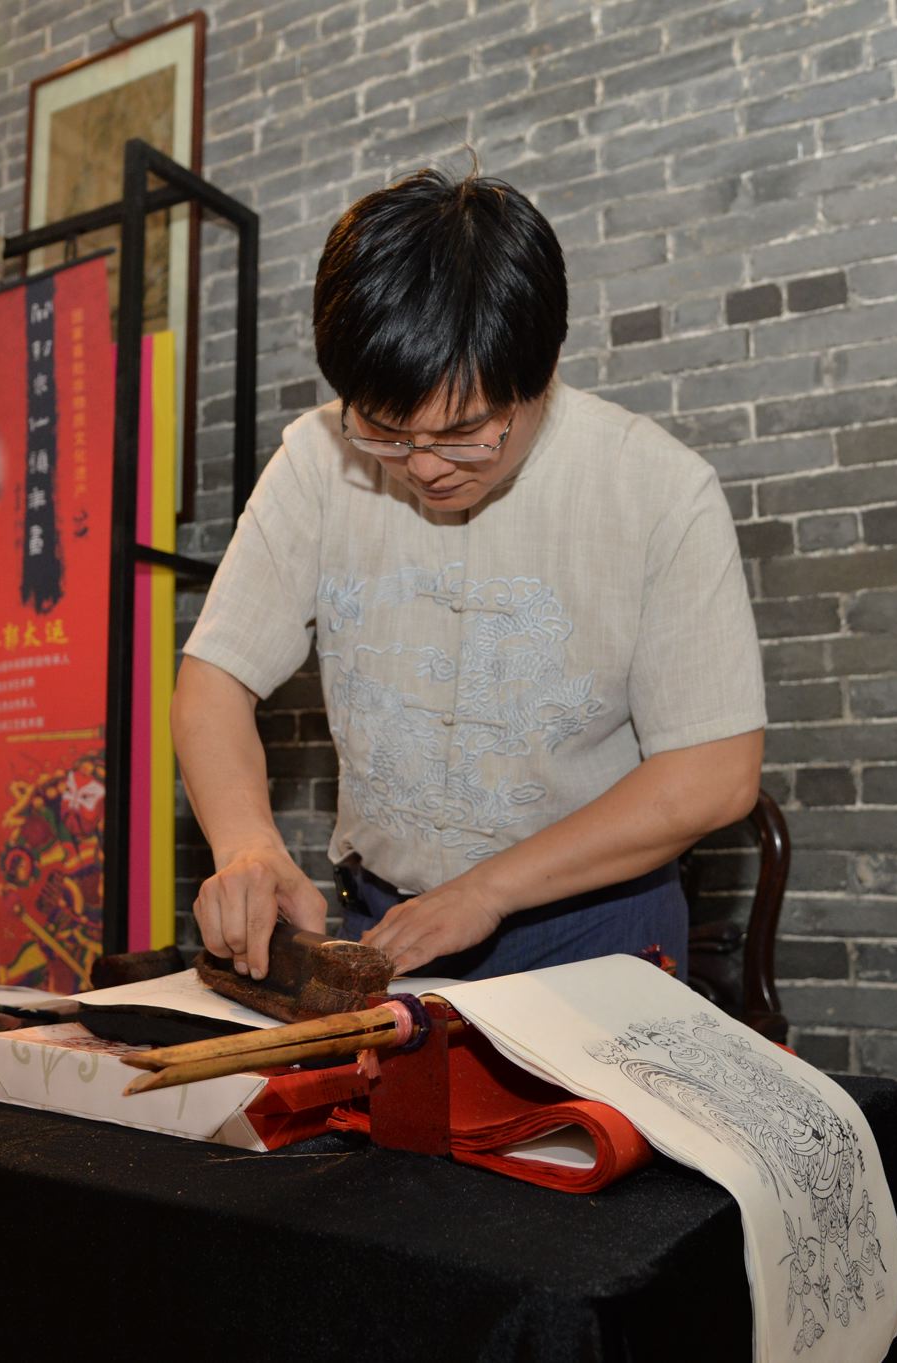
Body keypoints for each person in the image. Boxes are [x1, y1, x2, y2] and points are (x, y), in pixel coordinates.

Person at [174, 169, 766, 983]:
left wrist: (489, 889)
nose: (422, 465)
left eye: (463, 433)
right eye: (385, 430)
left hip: (595, 932)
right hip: (384, 926)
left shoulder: (657, 490)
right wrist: (247, 843)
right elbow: (214, 678)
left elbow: (714, 774)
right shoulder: (316, 460)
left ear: (541, 372)